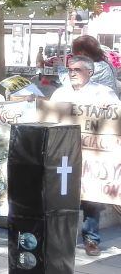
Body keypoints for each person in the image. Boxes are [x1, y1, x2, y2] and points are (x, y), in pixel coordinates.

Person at [50, 54, 121, 256]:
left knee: (92, 197)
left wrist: (108, 109)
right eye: (70, 69)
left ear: (89, 72)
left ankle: (91, 239)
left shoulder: (103, 93)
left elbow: (116, 116)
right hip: (64, 152)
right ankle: (61, 238)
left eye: (77, 70)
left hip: (92, 155)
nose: (72, 73)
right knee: (62, 194)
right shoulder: (60, 93)